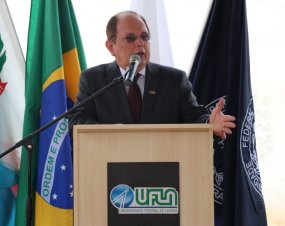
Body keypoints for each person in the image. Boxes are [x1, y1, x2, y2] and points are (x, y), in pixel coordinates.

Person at [69, 10, 236, 139]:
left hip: (163, 171)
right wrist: (112, 132)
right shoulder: (93, 79)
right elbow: (77, 122)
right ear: (111, 46)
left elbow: (194, 116)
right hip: (109, 171)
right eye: (130, 38)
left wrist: (209, 123)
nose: (140, 43)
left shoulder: (174, 80)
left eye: (145, 37)